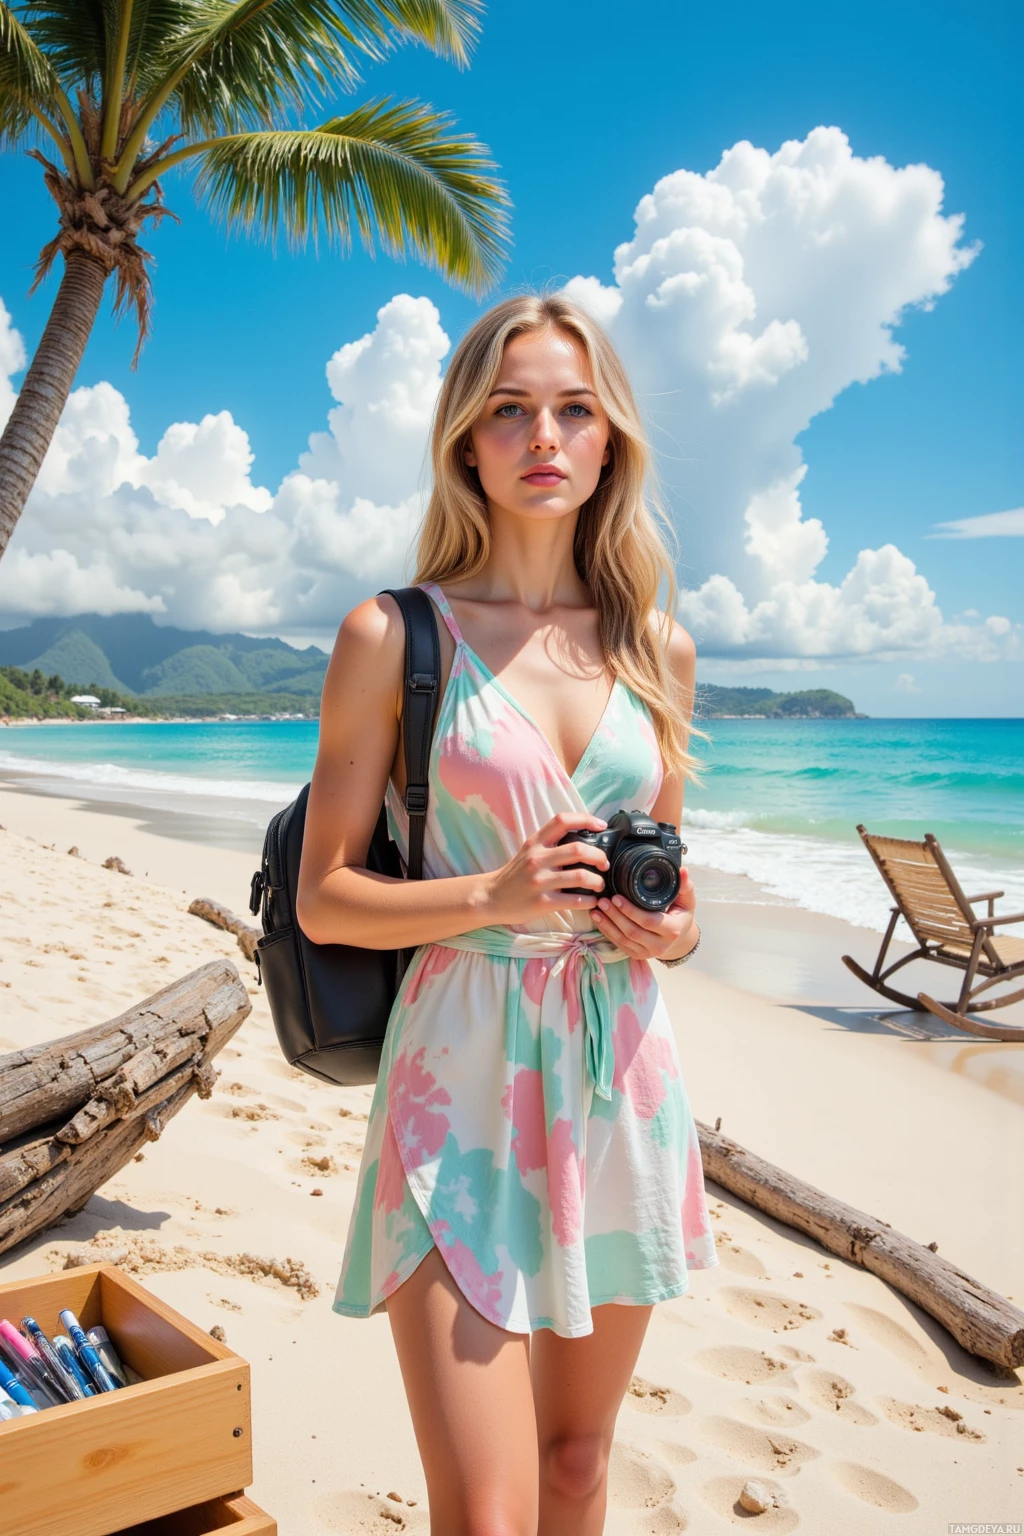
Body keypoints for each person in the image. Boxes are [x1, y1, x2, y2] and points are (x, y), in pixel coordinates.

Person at [296, 293, 718, 1535]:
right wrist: (493, 892)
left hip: (616, 1068)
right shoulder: (393, 634)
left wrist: (672, 931)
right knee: (487, 1510)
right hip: (457, 1071)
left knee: (576, 1464)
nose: (544, 435)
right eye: (510, 410)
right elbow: (324, 897)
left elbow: (675, 888)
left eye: (574, 410)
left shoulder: (658, 648)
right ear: (465, 442)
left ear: (609, 441)